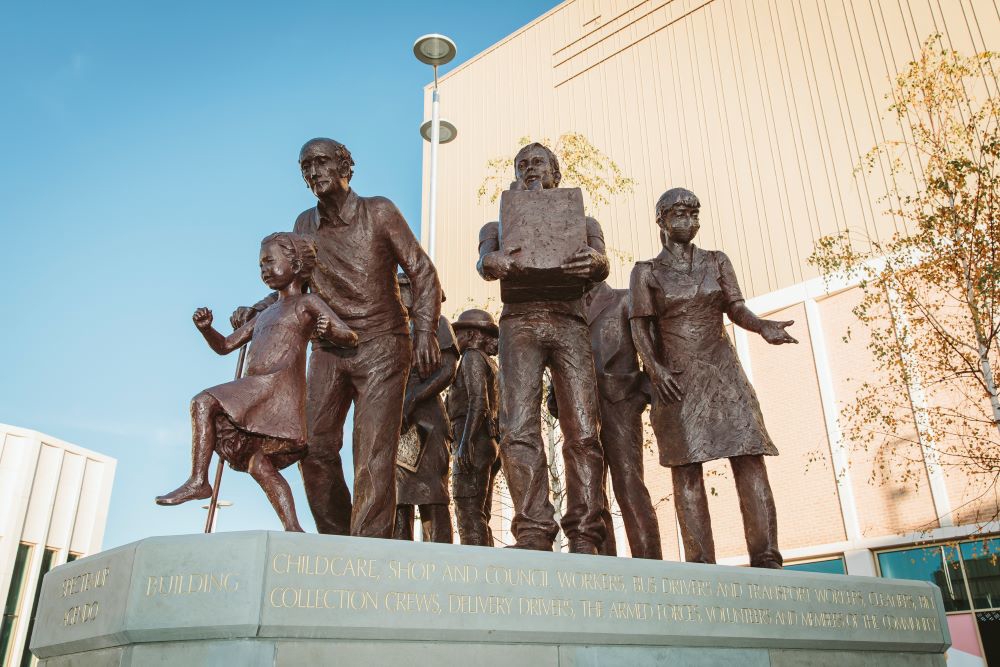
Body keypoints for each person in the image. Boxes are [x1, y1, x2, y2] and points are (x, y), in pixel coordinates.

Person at [231, 138, 442, 538]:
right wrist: (257, 310)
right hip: (327, 349)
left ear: (346, 167)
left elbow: (422, 272)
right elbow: (293, 284)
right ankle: (338, 541)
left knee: (373, 452)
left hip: (382, 343)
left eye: (322, 162)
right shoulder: (303, 225)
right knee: (312, 447)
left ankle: (369, 546)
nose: (313, 172)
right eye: (305, 166)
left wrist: (425, 329)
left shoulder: (379, 212)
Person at [629, 188, 797, 568]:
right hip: (677, 377)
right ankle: (701, 562)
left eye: (693, 215)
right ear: (662, 221)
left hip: (723, 372)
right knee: (687, 466)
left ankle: (766, 556)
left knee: (749, 456)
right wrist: (656, 371)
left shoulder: (717, 261)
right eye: (678, 215)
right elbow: (639, 327)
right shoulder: (646, 272)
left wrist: (762, 326)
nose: (687, 222)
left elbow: (736, 308)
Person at [156, 233, 357, 532]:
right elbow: (225, 346)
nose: (263, 268)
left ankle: (199, 480)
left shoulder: (307, 303)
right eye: (260, 264)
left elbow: (349, 335)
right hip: (257, 389)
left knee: (203, 401)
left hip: (276, 387)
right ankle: (293, 528)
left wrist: (329, 329)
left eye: (269, 261)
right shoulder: (265, 314)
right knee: (259, 465)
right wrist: (206, 329)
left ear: (296, 263)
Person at [476, 143, 609, 554]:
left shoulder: (585, 220)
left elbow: (602, 264)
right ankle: (533, 530)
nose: (529, 169)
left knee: (584, 430)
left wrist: (593, 262)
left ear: (556, 173)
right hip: (519, 322)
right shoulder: (495, 225)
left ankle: (586, 533)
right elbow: (484, 263)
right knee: (518, 427)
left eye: (538, 163)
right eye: (522, 165)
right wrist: (494, 262)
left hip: (569, 322)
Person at [547, 278, 663, 559]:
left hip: (620, 402)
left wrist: (643, 391)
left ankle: (650, 561)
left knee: (628, 482)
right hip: (579, 409)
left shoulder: (625, 299)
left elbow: (652, 349)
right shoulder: (566, 310)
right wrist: (555, 395)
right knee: (589, 492)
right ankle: (604, 562)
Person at [393, 274, 459, 543]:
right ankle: (397, 555)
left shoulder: (437, 324)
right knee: (399, 494)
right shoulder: (393, 326)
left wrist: (413, 398)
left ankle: (440, 554)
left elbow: (447, 370)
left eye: (405, 289)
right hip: (399, 421)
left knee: (431, 490)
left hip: (424, 418)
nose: (399, 295)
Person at [448, 309, 502, 546]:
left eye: (457, 334)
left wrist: (465, 442)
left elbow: (478, 401)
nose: (454, 340)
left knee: (467, 509)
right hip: (488, 442)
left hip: (474, 439)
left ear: (470, 334)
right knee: (480, 513)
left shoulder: (471, 357)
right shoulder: (491, 365)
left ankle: (477, 571)